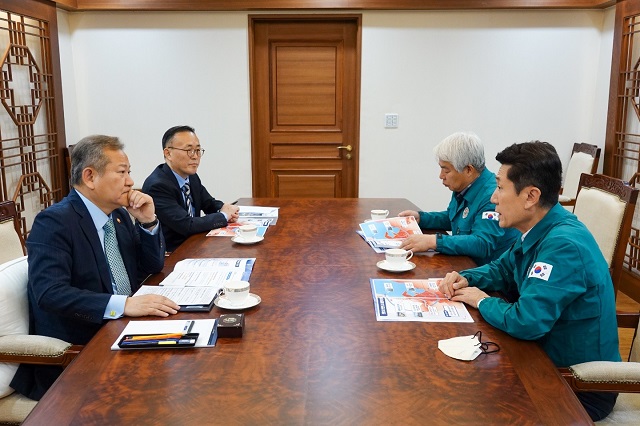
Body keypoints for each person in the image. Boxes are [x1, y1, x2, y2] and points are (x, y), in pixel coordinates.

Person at [438, 141, 620, 421]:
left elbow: (528, 322)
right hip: (542, 361)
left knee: (464, 404)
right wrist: (466, 277)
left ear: (530, 196)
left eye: (499, 187)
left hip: (576, 385)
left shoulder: (563, 245)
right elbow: (503, 268)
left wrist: (482, 300)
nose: (494, 198)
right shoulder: (539, 229)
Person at [10, 135, 181, 401]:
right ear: (90, 177)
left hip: (124, 330)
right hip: (80, 352)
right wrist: (123, 305)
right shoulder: (54, 222)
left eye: (129, 172)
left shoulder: (119, 215)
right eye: (122, 172)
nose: (130, 182)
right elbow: (50, 293)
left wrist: (148, 222)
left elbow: (151, 266)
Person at [399, 132, 518, 266]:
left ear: (468, 170)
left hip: (487, 276)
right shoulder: (465, 185)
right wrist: (422, 218)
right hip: (464, 264)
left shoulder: (491, 197)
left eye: (446, 170)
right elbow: (455, 217)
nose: (441, 176)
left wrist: (434, 242)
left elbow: (483, 243)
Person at [142, 125, 239, 252]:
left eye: (198, 150)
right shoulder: (158, 186)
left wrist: (223, 208)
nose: (195, 156)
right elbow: (186, 225)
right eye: (189, 150)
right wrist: (224, 216)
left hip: (195, 245)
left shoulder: (191, 176)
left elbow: (208, 203)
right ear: (168, 153)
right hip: (172, 254)